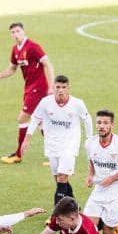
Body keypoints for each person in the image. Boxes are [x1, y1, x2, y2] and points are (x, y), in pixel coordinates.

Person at [21, 75, 93, 217]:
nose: (60, 90)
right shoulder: (46, 102)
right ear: (53, 88)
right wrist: (26, 139)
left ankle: (57, 215)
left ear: (68, 88)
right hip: (52, 145)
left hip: (70, 145)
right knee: (60, 181)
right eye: (58, 87)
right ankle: (75, 207)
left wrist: (89, 139)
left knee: (61, 178)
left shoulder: (77, 104)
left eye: (64, 87)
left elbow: (87, 119)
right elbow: (35, 119)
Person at [0, 22, 54, 164]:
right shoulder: (15, 49)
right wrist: (0, 76)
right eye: (13, 32)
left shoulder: (33, 47)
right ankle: (54, 156)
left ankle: (18, 154)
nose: (15, 34)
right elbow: (12, 68)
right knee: (42, 122)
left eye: (17, 31)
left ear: (23, 31)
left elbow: (48, 64)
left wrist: (51, 87)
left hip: (38, 88)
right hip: (28, 88)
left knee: (22, 119)